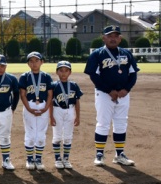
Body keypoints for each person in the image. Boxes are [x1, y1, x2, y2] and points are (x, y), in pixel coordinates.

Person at [84, 24, 139, 166]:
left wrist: (126, 89)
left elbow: (133, 74)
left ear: (120, 38)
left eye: (116, 36)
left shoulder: (126, 53)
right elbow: (94, 75)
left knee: (121, 123)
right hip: (104, 94)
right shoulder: (97, 54)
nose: (113, 38)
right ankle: (99, 154)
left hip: (123, 94)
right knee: (103, 123)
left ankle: (119, 155)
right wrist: (109, 90)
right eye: (110, 36)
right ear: (104, 38)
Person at [18, 52, 53, 170]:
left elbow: (50, 94)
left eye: (37, 61)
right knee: (30, 133)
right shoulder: (25, 76)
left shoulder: (46, 76)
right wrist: (29, 108)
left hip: (43, 105)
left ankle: (38, 159)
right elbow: (22, 94)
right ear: (28, 63)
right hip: (30, 105)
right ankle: (29, 159)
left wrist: (46, 108)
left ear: (42, 62)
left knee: (41, 133)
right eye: (31, 61)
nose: (34, 63)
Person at [50, 61, 83, 169]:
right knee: (57, 136)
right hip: (57, 110)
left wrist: (78, 116)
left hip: (70, 110)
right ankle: (57, 159)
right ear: (57, 72)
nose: (63, 73)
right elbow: (50, 102)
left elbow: (77, 101)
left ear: (70, 72)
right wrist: (51, 116)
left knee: (68, 136)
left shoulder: (74, 85)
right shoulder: (54, 85)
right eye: (61, 70)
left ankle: (66, 159)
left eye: (66, 71)